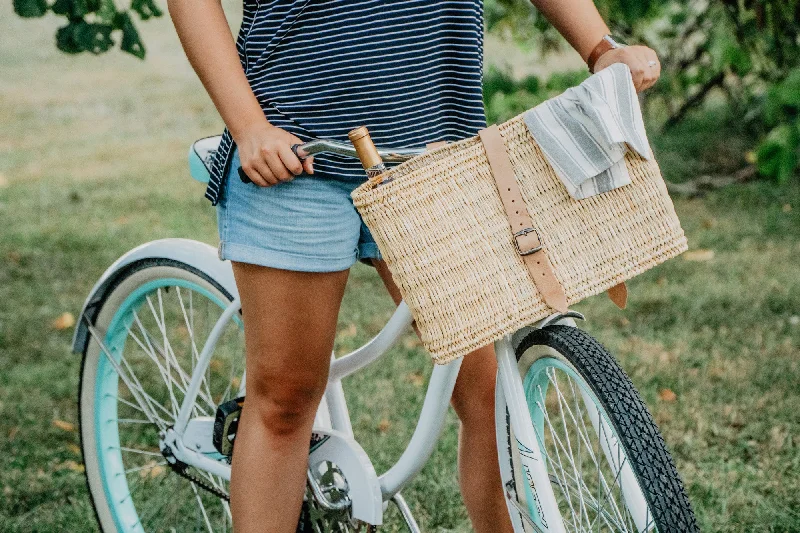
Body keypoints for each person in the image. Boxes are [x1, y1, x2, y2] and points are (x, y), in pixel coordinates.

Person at [167, 1, 660, 531]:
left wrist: (601, 48)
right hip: (292, 151)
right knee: (284, 402)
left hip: (431, 153)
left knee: (492, 397)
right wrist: (248, 126)